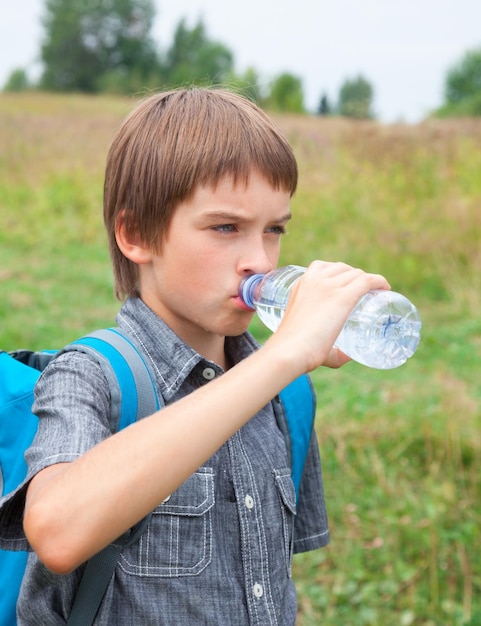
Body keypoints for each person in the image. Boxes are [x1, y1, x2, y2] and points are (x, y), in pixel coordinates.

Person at [0, 87, 389, 625]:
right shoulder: (93, 376)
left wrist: (280, 367)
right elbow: (58, 532)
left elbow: (271, 586)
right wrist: (283, 355)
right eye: (225, 228)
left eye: (274, 229)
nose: (259, 260)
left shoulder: (286, 393)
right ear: (136, 235)